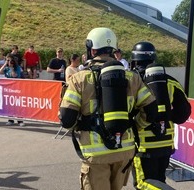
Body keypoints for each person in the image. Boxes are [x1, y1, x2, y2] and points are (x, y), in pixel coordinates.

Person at [59, 27, 158, 190]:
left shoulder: (79, 79)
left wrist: (80, 126)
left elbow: (66, 120)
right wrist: (135, 126)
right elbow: (151, 110)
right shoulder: (132, 78)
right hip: (124, 151)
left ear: (92, 49)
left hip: (95, 155)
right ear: (113, 49)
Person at [130, 41, 191, 189]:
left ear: (135, 60)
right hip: (165, 143)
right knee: (159, 181)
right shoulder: (171, 82)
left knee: (143, 184)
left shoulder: (133, 82)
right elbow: (183, 114)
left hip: (143, 146)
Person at [0, 54, 25, 127]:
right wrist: (5, 64)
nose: (8, 62)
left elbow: (14, 75)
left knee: (17, 104)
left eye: (9, 60)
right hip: (9, 89)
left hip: (17, 88)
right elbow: (0, 72)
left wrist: (12, 68)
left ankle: (20, 120)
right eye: (7, 60)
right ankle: (10, 120)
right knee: (9, 104)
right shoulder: (6, 67)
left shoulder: (17, 67)